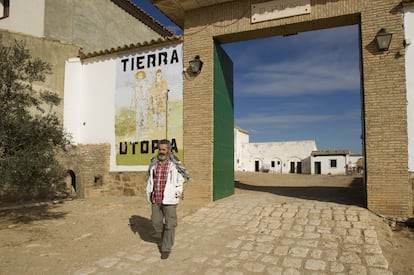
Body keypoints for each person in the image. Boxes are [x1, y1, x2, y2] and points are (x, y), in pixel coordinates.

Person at [146, 139, 189, 259]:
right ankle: (166, 236)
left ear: (168, 150)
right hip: (155, 198)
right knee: (155, 223)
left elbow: (181, 180)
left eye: (164, 149)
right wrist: (149, 191)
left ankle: (166, 248)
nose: (161, 151)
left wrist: (177, 192)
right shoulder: (153, 163)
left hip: (169, 199)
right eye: (160, 149)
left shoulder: (174, 164)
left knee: (170, 224)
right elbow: (149, 177)